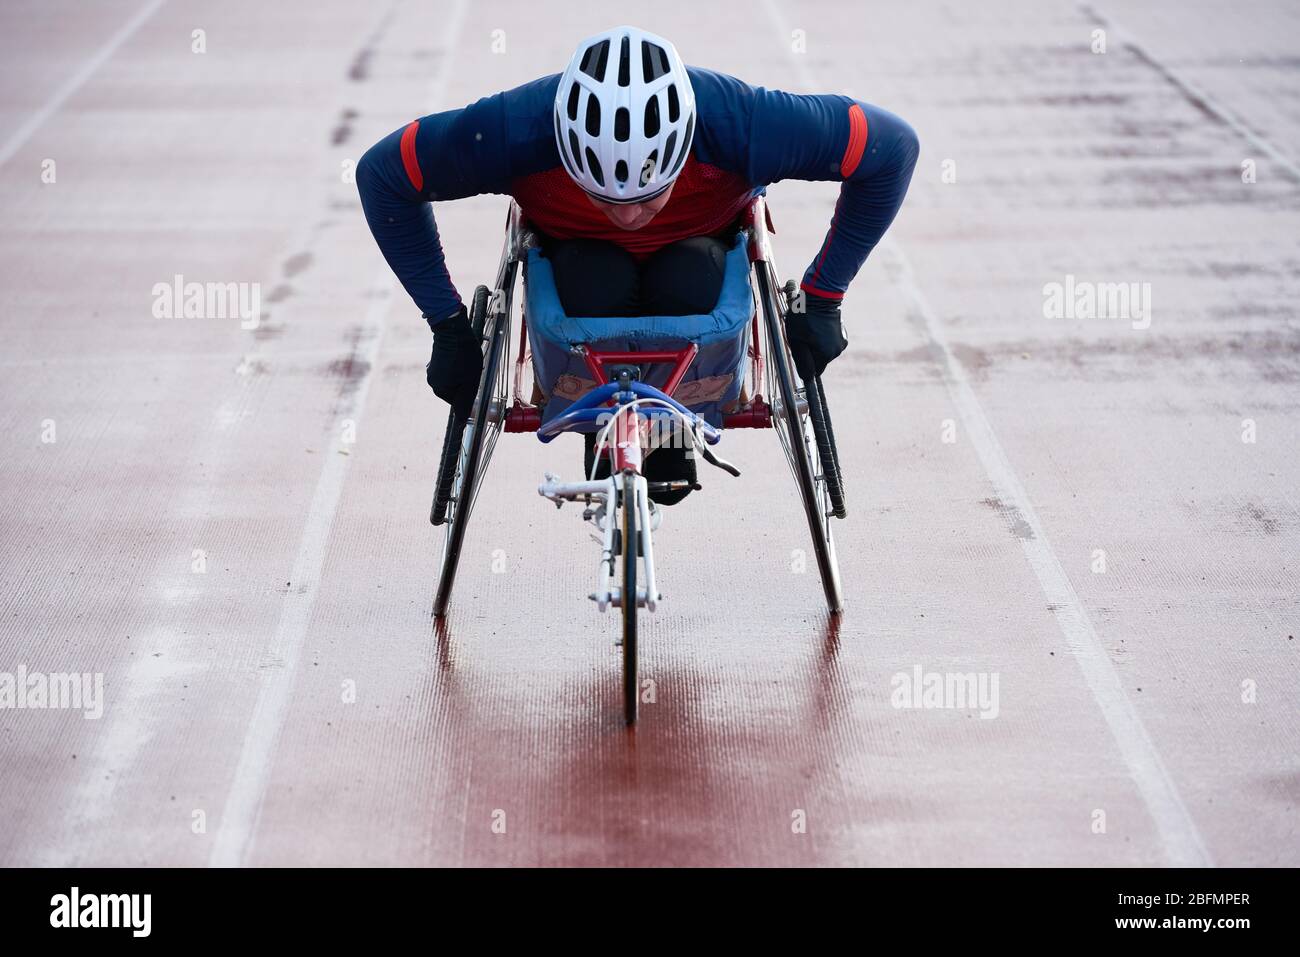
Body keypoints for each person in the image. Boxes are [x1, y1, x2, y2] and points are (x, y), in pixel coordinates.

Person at [357, 25, 918, 503]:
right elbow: (383, 176)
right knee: (590, 276)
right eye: (606, 197)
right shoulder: (513, 130)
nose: (630, 217)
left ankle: (675, 424)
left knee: (691, 273)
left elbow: (892, 149)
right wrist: (448, 324)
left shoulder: (745, 123)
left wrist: (823, 296)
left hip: (700, 253)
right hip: (577, 262)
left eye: (650, 196)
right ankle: (594, 411)